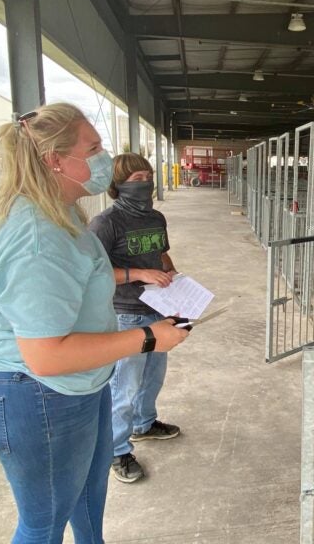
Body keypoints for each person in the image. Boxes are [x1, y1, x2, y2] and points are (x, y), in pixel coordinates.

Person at [0, 102, 189, 544]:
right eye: (94, 147)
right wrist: (147, 338)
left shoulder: (53, 209)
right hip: (36, 392)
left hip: (79, 386)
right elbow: (46, 355)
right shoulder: (35, 233)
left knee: (86, 496)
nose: (104, 157)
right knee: (43, 522)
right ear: (55, 160)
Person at [88, 153, 181, 483]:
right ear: (119, 185)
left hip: (158, 308)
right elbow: (94, 273)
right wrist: (140, 273)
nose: (146, 184)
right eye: (137, 179)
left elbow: (162, 253)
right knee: (124, 386)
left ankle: (145, 423)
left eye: (149, 177)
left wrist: (174, 277)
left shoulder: (156, 217)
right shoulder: (105, 224)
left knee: (153, 375)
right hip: (126, 312)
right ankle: (117, 450)